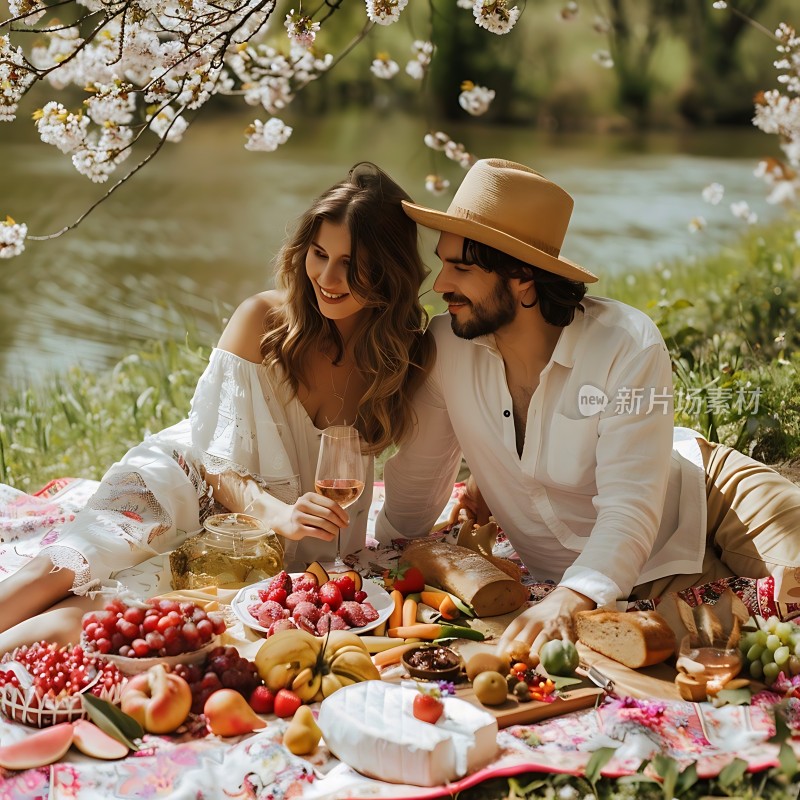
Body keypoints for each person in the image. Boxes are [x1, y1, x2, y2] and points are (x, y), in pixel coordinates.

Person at [375, 157, 800, 658]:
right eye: (444, 262)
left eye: (461, 268)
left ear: (523, 278)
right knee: (725, 649)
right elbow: (417, 484)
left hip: (712, 496)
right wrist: (369, 559)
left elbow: (629, 506)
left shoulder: (626, 343)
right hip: (636, 582)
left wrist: (569, 599)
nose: (440, 284)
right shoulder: (446, 345)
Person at [0, 162, 434, 638]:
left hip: (257, 545)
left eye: (350, 263)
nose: (327, 277)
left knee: (106, 612)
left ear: (389, 269)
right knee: (63, 570)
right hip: (182, 482)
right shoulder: (263, 320)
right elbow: (216, 461)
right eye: (318, 253)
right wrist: (281, 514)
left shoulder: (399, 354)